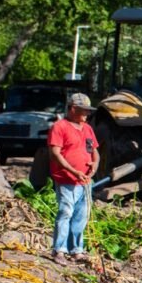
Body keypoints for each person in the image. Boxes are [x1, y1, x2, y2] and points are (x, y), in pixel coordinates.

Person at [47, 93, 100, 266]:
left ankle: (76, 250)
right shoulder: (59, 127)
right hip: (66, 180)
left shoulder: (87, 128)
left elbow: (95, 152)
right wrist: (73, 171)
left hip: (84, 181)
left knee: (81, 216)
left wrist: (94, 165)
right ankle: (59, 250)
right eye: (83, 110)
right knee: (65, 212)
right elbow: (55, 154)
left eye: (88, 111)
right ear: (72, 108)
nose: (86, 114)